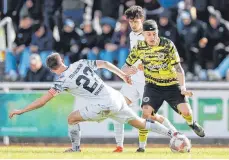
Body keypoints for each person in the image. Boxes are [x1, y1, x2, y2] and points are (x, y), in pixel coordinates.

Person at [9, 52, 177, 152]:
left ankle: (75, 149)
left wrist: (21, 110)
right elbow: (104, 63)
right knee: (141, 123)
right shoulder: (81, 63)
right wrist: (123, 75)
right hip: (115, 96)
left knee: (71, 119)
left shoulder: (61, 81)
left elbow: (43, 101)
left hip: (103, 105)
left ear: (52, 69)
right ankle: (174, 135)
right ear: (62, 60)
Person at [125, 19, 205, 151]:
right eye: (148, 34)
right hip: (152, 85)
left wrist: (183, 87)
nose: (152, 37)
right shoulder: (139, 47)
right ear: (143, 35)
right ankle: (141, 147)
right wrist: (127, 72)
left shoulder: (167, 44)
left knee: (186, 112)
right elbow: (125, 66)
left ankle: (192, 123)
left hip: (171, 84)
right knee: (146, 114)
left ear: (158, 32)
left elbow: (178, 68)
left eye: (154, 34)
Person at [113, 6, 177, 153]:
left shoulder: (150, 36)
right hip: (133, 81)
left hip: (148, 82)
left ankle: (175, 134)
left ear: (141, 20)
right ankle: (119, 146)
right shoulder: (131, 35)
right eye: (130, 22)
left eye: (135, 21)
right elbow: (133, 58)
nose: (133, 24)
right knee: (117, 109)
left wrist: (144, 64)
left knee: (149, 116)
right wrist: (127, 72)